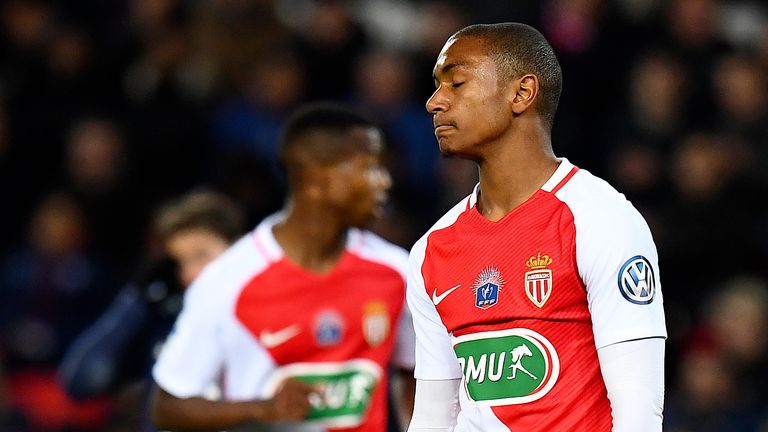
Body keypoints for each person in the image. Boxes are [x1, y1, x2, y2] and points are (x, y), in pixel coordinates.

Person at [405, 23, 666, 432]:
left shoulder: (600, 220)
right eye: (437, 87)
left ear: (522, 93)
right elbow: (434, 417)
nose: (434, 102)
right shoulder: (431, 250)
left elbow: (639, 416)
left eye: (456, 83)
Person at [150, 103, 415, 432]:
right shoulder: (228, 280)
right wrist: (263, 409)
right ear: (316, 178)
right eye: (369, 168)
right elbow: (167, 407)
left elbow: (418, 377)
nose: (384, 182)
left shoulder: (396, 271)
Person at [58, 190, 247, 430]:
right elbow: (81, 382)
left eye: (202, 256)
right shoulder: (165, 322)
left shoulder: (267, 319)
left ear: (240, 248)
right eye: (179, 262)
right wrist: (137, 295)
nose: (190, 274)